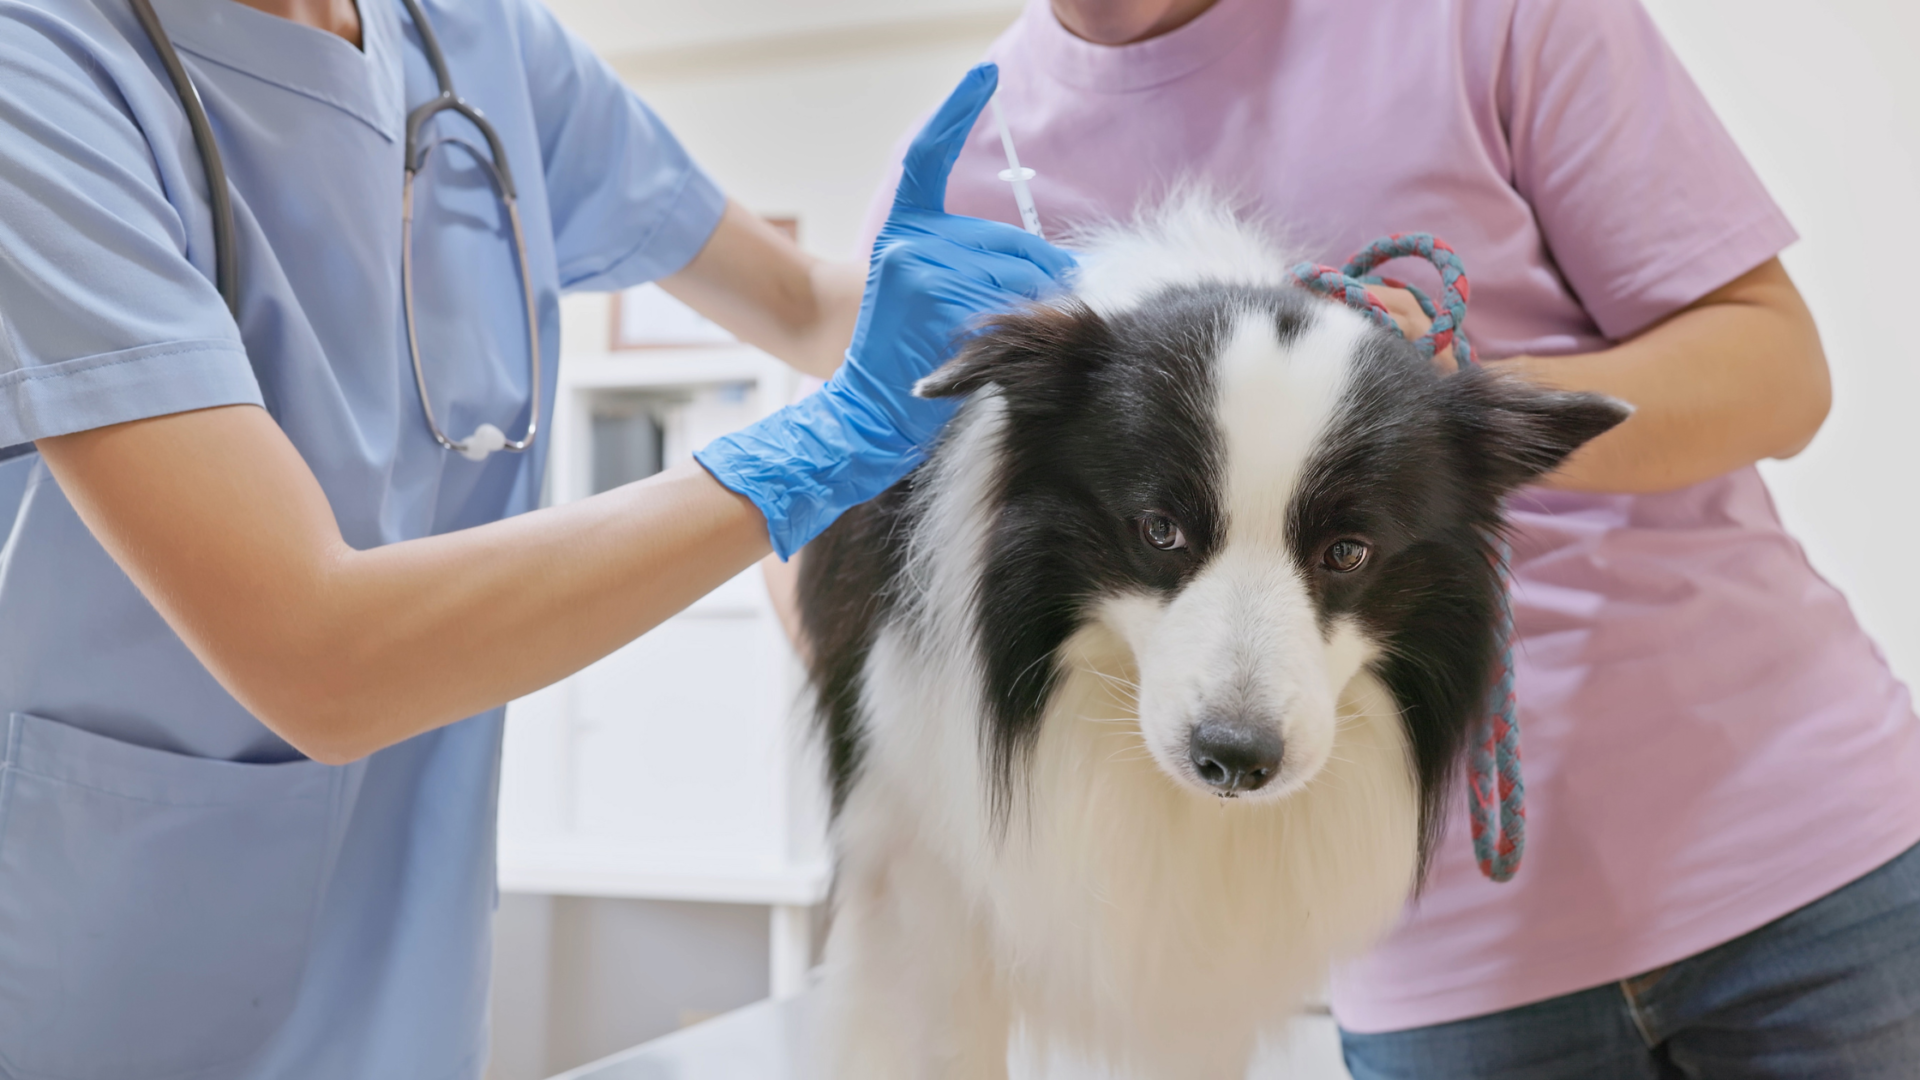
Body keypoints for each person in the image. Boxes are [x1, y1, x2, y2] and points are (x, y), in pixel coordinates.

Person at [840, 0, 1920, 1074]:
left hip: (1803, 857)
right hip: (1440, 960)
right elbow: (861, 518)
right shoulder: (965, 155)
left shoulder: (1490, 17)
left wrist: (1449, 412)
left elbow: (1780, 375)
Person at [0, 0, 1072, 1069]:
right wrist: (820, 447)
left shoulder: (472, 39)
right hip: (113, 992)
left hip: (406, 979)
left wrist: (1093, 316)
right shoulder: (40, 68)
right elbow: (313, 654)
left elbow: (796, 301)